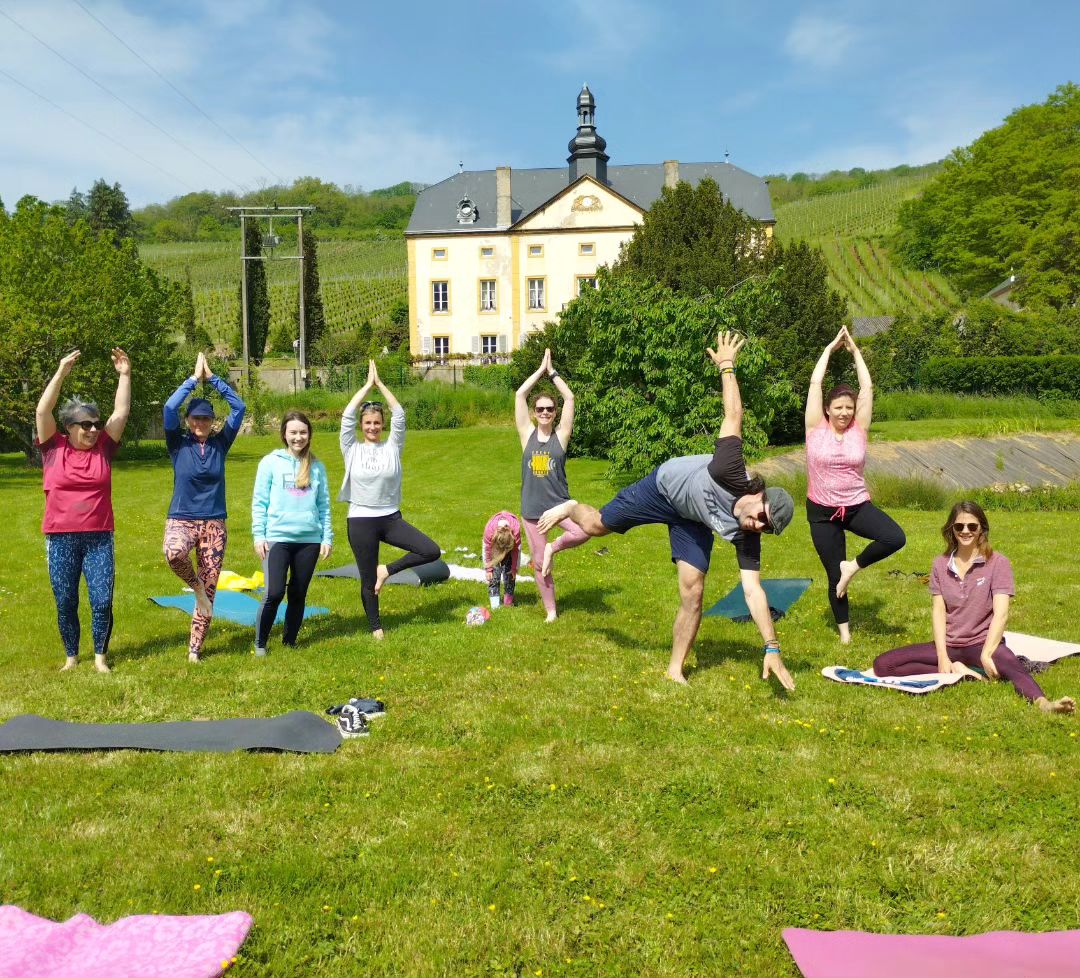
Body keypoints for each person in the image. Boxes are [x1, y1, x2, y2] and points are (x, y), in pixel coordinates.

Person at [538, 331, 796, 687]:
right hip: (662, 488)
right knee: (597, 526)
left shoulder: (746, 534)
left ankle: (675, 670)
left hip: (691, 519)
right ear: (760, 493)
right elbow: (734, 413)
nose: (756, 525)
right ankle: (570, 506)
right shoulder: (730, 468)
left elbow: (753, 591)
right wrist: (726, 366)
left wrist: (772, 646)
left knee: (694, 591)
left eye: (764, 528)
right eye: (761, 516)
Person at [873, 501, 1074, 713]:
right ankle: (966, 671)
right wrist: (942, 656)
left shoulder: (998, 563)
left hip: (981, 643)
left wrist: (987, 653)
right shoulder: (940, 564)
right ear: (951, 529)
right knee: (883, 665)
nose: (966, 531)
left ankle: (1044, 704)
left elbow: (1001, 613)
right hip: (950, 644)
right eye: (959, 526)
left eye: (972, 526)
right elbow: (938, 612)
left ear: (981, 529)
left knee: (1011, 666)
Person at [805, 325, 905, 643]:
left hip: (856, 506)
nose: (845, 412)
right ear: (827, 410)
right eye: (839, 407)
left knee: (894, 537)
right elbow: (815, 382)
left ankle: (855, 566)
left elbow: (868, 387)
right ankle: (845, 635)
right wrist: (829, 350)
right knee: (834, 573)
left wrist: (857, 352)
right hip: (822, 511)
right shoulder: (814, 428)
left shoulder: (859, 429)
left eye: (849, 407)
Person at [35, 348, 131, 673]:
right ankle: (72, 656)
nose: (93, 429)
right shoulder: (53, 447)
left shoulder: (104, 447)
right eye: (85, 424)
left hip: (99, 538)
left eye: (96, 424)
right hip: (60, 539)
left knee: (102, 600)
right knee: (65, 601)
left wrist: (125, 375)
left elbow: (121, 412)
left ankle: (100, 657)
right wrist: (61, 372)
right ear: (69, 427)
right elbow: (41, 409)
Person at [340, 359, 440, 639]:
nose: (372, 427)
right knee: (367, 578)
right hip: (360, 520)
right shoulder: (351, 448)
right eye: (368, 423)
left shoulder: (393, 446)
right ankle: (376, 627)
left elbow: (400, 414)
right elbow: (346, 415)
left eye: (377, 423)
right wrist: (365, 387)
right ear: (362, 426)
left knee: (430, 550)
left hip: (390, 517)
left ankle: (387, 570)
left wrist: (380, 385)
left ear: (383, 425)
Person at [162, 352, 246, 662]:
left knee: (210, 589)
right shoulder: (177, 443)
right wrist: (193, 380)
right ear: (188, 421)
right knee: (173, 554)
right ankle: (194, 586)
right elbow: (169, 407)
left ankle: (195, 650)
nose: (200, 423)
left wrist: (214, 380)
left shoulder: (221, 443)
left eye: (206, 418)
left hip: (214, 524)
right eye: (196, 418)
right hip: (181, 519)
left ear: (213, 422)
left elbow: (240, 407)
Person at [251, 411, 333, 657]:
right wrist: (259, 536)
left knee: (298, 593)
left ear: (309, 435)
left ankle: (290, 641)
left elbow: (324, 505)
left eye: (303, 432)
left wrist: (326, 537)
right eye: (293, 432)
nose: (298, 437)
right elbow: (259, 502)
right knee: (274, 592)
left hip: (308, 539)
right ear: (284, 435)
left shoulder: (317, 467)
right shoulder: (270, 462)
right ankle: (260, 644)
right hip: (277, 538)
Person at [516, 348, 589, 622]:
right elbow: (519, 395)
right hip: (533, 509)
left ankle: (553, 548)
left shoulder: (562, 435)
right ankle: (551, 611)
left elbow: (570, 396)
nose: (545, 412)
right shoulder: (527, 434)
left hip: (560, 506)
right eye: (540, 409)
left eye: (549, 408)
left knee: (585, 531)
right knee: (538, 562)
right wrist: (539, 370)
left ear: (555, 412)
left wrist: (553, 372)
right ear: (534, 413)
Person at [483, 511, 522, 610]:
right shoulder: (489, 532)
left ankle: (507, 603)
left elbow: (516, 551)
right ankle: (495, 605)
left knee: (510, 575)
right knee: (493, 576)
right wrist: (488, 569)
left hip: (509, 545)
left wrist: (514, 568)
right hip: (494, 547)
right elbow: (486, 550)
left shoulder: (515, 533)